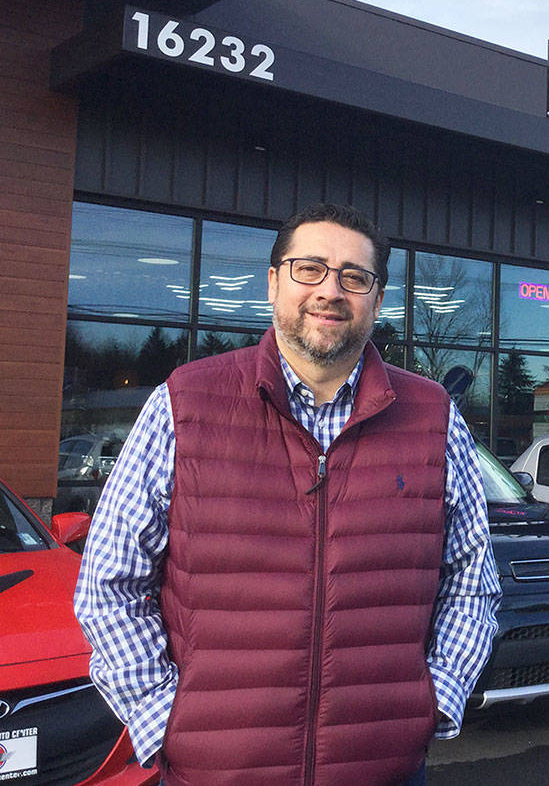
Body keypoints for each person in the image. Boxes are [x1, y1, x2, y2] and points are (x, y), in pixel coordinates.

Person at [74, 204, 501, 785]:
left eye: (355, 276)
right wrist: (163, 716)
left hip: (383, 771)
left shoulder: (432, 417)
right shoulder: (185, 404)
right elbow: (109, 582)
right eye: (310, 268)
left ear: (376, 301)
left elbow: (472, 578)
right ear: (274, 281)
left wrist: (435, 701)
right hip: (216, 773)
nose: (330, 290)